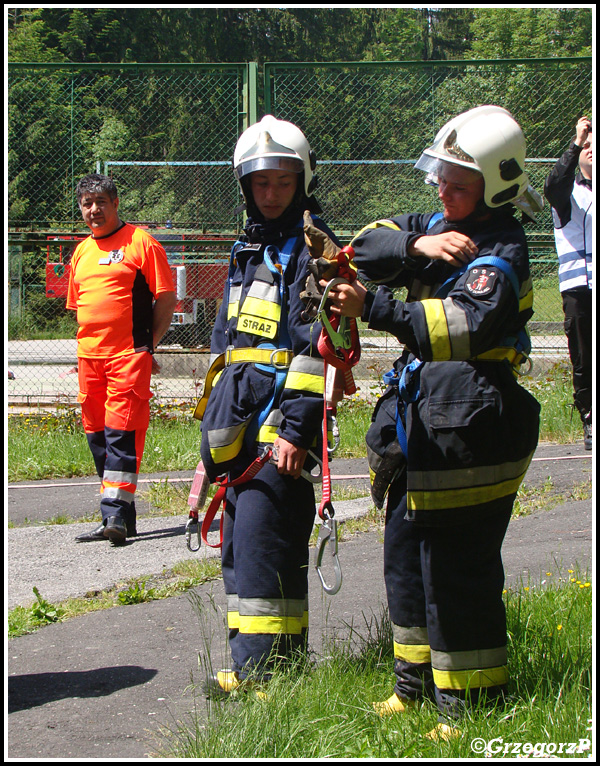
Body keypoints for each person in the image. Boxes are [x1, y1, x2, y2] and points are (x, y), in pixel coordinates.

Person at [323, 106, 541, 739]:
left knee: (457, 565)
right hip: (429, 415)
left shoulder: (501, 250)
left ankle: (469, 705)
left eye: (460, 184)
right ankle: (413, 687)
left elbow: (456, 328)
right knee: (405, 552)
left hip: (473, 418)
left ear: (495, 189)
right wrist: (417, 242)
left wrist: (378, 306)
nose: (444, 193)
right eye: (442, 178)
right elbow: (363, 245)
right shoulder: (440, 224)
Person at [194, 115, 338, 695]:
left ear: (301, 181)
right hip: (238, 424)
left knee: (262, 545)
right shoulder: (246, 247)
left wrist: (295, 432)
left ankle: (257, 675)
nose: (272, 194)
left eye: (283, 182)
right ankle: (275, 670)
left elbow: (314, 348)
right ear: (245, 186)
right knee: (242, 550)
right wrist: (209, 447)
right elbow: (225, 352)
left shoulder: (309, 246)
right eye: (261, 183)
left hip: (278, 427)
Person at [68, 174, 176, 544]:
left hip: (127, 357)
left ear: (115, 203)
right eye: (87, 203)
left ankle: (113, 515)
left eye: (100, 201)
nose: (94, 210)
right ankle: (120, 518)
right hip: (89, 360)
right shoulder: (81, 251)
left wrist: (150, 344)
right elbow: (79, 306)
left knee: (120, 436)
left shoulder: (140, 243)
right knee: (97, 437)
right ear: (81, 209)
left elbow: (165, 297)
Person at [544, 116, 592, 450]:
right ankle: (590, 420)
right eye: (586, 148)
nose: (590, 150)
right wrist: (576, 141)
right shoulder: (568, 193)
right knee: (585, 357)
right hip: (579, 287)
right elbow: (552, 185)